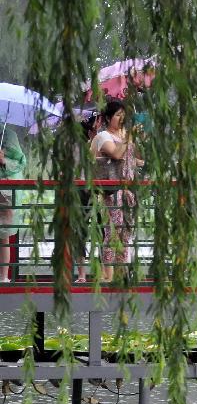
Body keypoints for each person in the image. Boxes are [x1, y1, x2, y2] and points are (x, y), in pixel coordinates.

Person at [92, 101, 142, 282]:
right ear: (107, 118)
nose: (121, 118)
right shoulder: (103, 136)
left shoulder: (124, 135)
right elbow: (116, 154)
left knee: (126, 233)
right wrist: (129, 138)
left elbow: (135, 159)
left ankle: (121, 273)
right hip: (112, 191)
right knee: (112, 232)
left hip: (128, 190)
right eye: (117, 115)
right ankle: (108, 274)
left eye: (123, 115)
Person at [76, 112, 102, 283]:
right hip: (82, 188)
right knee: (81, 231)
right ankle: (82, 274)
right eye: (97, 121)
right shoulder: (79, 143)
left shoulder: (102, 139)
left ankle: (102, 272)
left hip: (99, 189)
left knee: (102, 231)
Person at [0, 131, 26, 283]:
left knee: (4, 236)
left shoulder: (8, 133)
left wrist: (3, 161)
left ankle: (3, 276)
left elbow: (21, 162)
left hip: (6, 192)